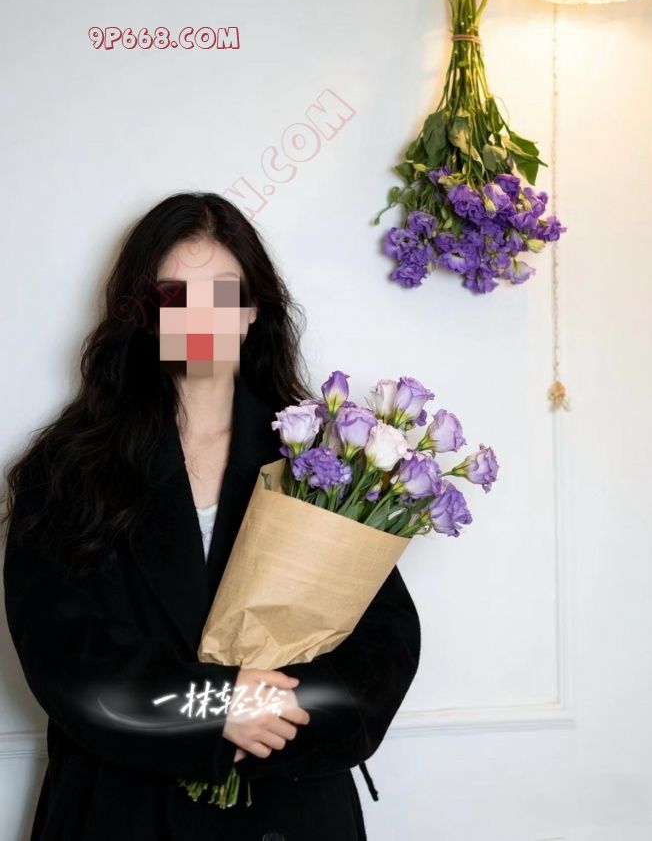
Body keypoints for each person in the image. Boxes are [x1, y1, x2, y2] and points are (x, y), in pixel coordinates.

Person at [2, 192, 422, 841]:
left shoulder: (324, 462)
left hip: (289, 810)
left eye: (223, 295)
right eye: (176, 296)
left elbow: (383, 646)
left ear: (253, 311)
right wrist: (212, 708)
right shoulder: (65, 468)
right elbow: (62, 654)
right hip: (122, 814)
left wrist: (269, 714)